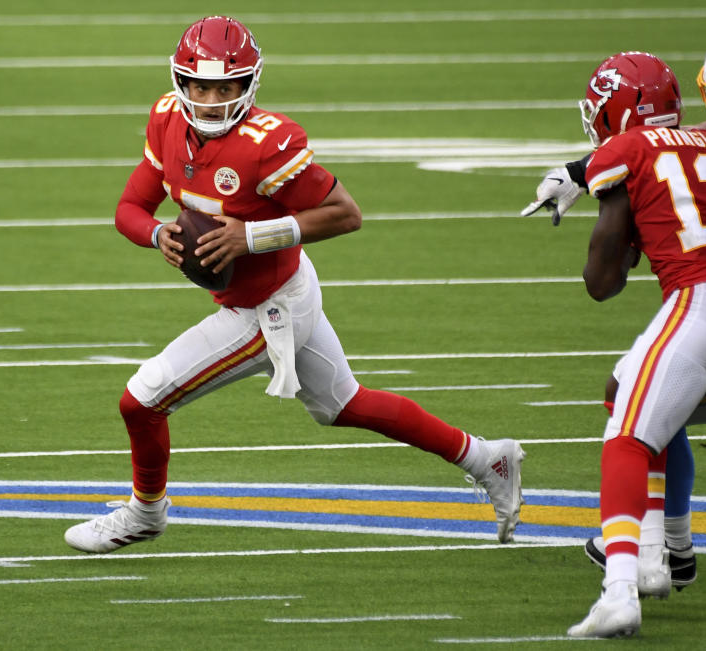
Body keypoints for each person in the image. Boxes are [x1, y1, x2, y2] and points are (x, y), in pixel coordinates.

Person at [63, 15, 525, 554]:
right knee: (344, 405)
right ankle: (487, 459)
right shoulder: (166, 119)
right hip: (271, 292)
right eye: (201, 85)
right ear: (180, 82)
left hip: (269, 308)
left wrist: (251, 237)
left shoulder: (268, 142)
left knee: (140, 400)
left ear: (248, 85)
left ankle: (146, 512)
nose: (211, 99)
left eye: (226, 86)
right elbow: (129, 208)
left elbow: (345, 214)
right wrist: (156, 233)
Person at [526, 50, 706, 637]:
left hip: (700, 305)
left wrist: (619, 225)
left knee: (628, 427)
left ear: (616, 112)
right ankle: (668, 551)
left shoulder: (626, 152)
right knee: (636, 388)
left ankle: (623, 586)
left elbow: (601, 285)